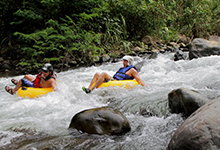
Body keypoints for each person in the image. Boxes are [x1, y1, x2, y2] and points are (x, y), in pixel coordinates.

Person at [82, 55, 146, 93]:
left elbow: (139, 79)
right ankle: (89, 87)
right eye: (123, 61)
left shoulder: (132, 70)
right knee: (97, 74)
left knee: (103, 74)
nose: (123, 62)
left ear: (129, 62)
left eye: (125, 61)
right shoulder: (122, 68)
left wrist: (145, 87)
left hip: (117, 82)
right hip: (113, 80)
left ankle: (91, 90)